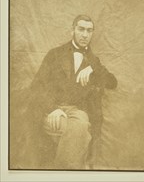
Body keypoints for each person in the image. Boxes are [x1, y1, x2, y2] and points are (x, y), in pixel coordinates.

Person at [23, 15, 117, 170]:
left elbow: (113, 83)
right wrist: (53, 108)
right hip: (52, 110)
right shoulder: (54, 54)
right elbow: (36, 87)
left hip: (78, 111)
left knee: (80, 124)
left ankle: (60, 173)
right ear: (72, 30)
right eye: (81, 29)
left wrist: (94, 70)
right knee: (79, 129)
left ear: (92, 33)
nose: (85, 34)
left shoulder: (94, 61)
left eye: (89, 30)